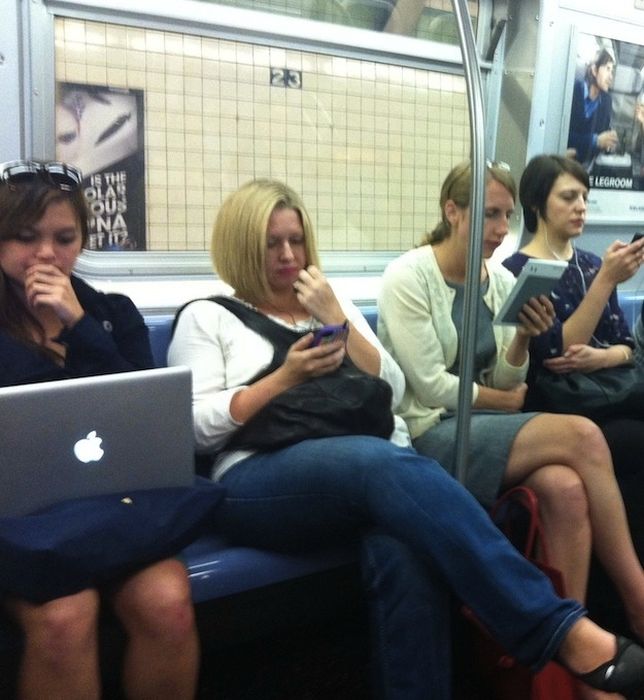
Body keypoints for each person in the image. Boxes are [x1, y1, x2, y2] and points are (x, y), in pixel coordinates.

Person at [168, 176, 644, 700]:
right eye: (271, 243)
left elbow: (391, 386)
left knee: (405, 547)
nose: (288, 255)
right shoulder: (207, 316)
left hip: (363, 471)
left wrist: (336, 321)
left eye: (296, 240)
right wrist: (285, 378)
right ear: (241, 247)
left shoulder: (329, 302)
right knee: (379, 462)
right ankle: (558, 629)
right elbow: (193, 427)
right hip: (259, 476)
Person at [376, 160, 644, 664]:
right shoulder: (407, 276)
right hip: (431, 434)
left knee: (566, 489)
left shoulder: (496, 278)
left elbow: (506, 377)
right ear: (452, 212)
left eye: (505, 216)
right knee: (585, 437)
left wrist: (521, 337)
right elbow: (433, 388)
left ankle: (566, 654)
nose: (501, 230)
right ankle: (637, 596)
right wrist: (505, 400)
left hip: (485, 426)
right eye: (490, 216)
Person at [0, 160, 199, 699]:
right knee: (65, 617)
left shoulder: (112, 313)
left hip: (112, 508)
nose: (46, 254)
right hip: (18, 522)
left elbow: (141, 418)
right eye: (24, 238)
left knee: (169, 605)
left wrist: (79, 325)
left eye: (64, 238)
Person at [504, 152, 644, 636]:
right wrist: (606, 282)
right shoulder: (519, 269)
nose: (582, 207)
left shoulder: (588, 260)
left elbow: (624, 345)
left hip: (609, 387)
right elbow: (552, 352)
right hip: (563, 407)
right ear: (538, 205)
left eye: (585, 197)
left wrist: (602, 357)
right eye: (569, 197)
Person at [568, 48, 618, 166]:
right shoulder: (572, 92)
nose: (611, 77)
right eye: (607, 69)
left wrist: (609, 142)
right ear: (594, 70)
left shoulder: (606, 100)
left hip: (588, 165)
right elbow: (563, 136)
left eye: (612, 71)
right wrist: (595, 141)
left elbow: (602, 134)